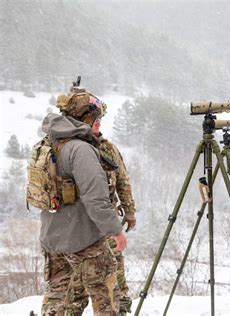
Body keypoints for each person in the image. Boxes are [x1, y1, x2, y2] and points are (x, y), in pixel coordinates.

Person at [39, 87, 127, 315]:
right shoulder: (81, 150)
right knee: (106, 299)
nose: (99, 123)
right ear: (82, 119)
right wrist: (115, 230)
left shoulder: (47, 145)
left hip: (52, 239)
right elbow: (96, 199)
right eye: (95, 118)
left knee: (57, 303)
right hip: (84, 240)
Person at [66, 97, 137, 315]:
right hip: (76, 228)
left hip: (106, 225)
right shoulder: (69, 148)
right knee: (74, 284)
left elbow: (122, 181)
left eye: (100, 119)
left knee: (114, 280)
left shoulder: (107, 148)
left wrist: (129, 212)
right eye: (94, 119)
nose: (98, 123)